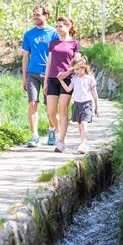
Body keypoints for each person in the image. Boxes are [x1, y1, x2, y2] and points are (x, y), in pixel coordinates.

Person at [22, 5, 59, 147]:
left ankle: (52, 131)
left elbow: (57, 55)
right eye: (34, 15)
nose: (35, 17)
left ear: (46, 16)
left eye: (38, 15)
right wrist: (24, 77)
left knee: (50, 106)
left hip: (49, 74)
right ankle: (35, 136)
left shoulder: (54, 33)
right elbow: (25, 57)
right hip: (32, 73)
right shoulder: (28, 34)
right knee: (32, 103)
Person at [44, 17, 80, 153]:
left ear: (68, 27)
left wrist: (67, 73)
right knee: (51, 112)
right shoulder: (53, 43)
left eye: (61, 26)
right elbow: (49, 63)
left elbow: (78, 63)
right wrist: (46, 81)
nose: (58, 29)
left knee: (63, 110)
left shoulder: (74, 44)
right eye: (57, 26)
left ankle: (61, 141)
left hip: (67, 80)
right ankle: (60, 134)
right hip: (53, 78)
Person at [57, 56, 99, 154]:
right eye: (74, 69)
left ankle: (83, 143)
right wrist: (60, 80)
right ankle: (83, 144)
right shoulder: (75, 78)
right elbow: (68, 89)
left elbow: (95, 94)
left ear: (84, 67)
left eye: (77, 69)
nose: (76, 72)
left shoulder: (90, 79)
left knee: (84, 124)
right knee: (80, 126)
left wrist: (97, 107)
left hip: (86, 104)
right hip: (76, 104)